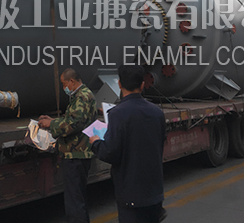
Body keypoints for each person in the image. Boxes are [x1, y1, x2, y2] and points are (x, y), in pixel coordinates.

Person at [89, 65, 167, 223]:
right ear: (143, 85)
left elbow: (110, 152)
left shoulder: (117, 114)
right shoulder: (157, 112)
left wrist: (95, 142)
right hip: (154, 193)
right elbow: (160, 143)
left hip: (131, 194)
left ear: (119, 84)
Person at [39, 68, 97, 223]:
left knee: (74, 199)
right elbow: (73, 119)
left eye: (64, 84)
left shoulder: (82, 97)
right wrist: (53, 120)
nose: (64, 88)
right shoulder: (82, 95)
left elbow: (74, 123)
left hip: (76, 153)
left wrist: (51, 125)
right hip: (78, 152)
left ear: (72, 81)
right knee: (77, 196)